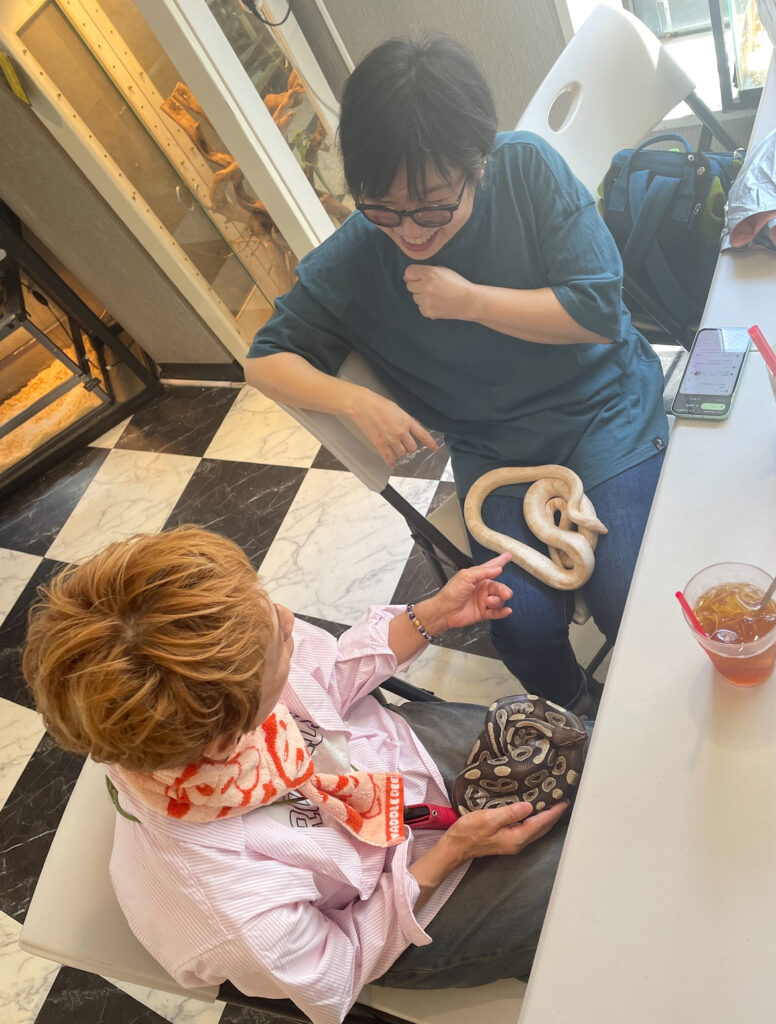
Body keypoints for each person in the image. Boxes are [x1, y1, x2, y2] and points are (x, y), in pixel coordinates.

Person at [244, 35, 669, 712]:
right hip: (498, 454)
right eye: (383, 208)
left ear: (478, 161)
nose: (410, 231)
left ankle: (668, 710)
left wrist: (469, 301)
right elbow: (265, 360)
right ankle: (581, 717)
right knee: (518, 623)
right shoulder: (359, 254)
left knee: (631, 596)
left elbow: (596, 311)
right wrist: (356, 401)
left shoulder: (525, 168)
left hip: (605, 408)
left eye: (434, 205)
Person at [23, 526, 574, 1024]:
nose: (288, 620)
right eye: (278, 646)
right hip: (400, 905)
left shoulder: (217, 687)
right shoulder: (232, 903)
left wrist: (429, 616)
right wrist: (451, 852)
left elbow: (323, 681)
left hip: (401, 758)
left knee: (589, 747)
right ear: (226, 736)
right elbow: (337, 970)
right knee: (593, 881)